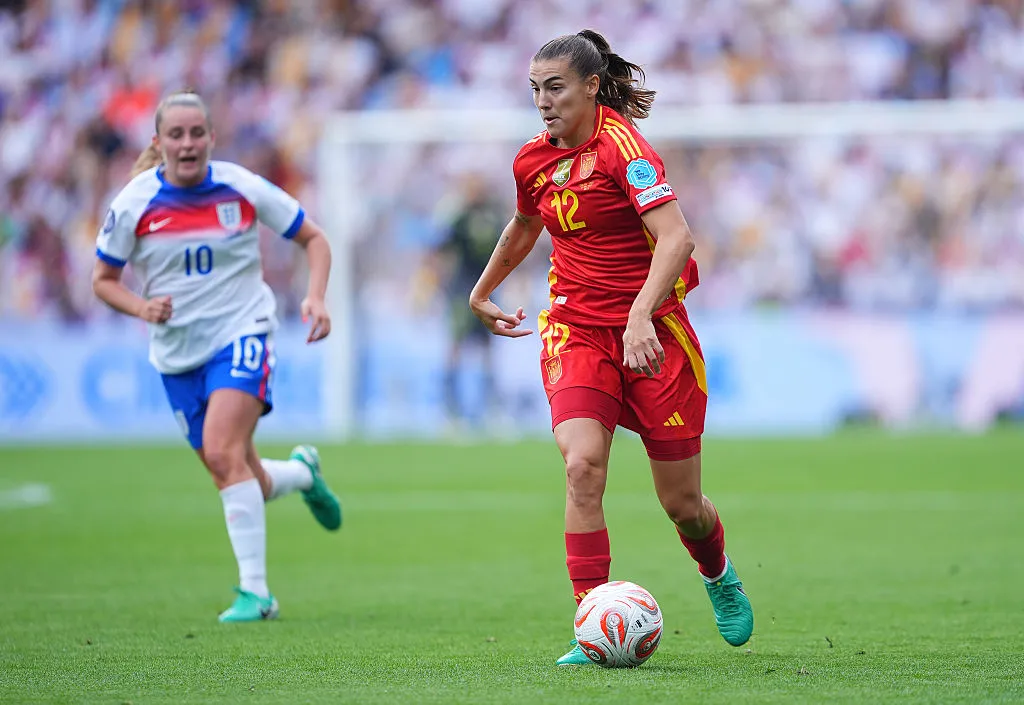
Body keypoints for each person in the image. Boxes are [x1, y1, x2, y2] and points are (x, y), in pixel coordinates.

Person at [468, 30, 754, 664]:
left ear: (591, 86)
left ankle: (718, 575)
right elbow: (526, 222)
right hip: (575, 328)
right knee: (582, 467)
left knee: (682, 504)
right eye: (535, 89)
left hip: (653, 331)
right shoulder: (531, 159)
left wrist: (640, 315)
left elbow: (677, 238)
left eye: (556, 87)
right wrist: (482, 290)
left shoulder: (628, 150)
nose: (543, 101)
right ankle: (589, 620)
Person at [92, 90, 342, 623]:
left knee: (224, 454)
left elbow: (314, 239)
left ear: (211, 137)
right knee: (235, 469)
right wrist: (141, 308)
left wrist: (316, 296)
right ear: (158, 143)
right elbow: (103, 280)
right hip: (177, 354)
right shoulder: (133, 204)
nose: (188, 144)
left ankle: (257, 594)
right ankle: (301, 474)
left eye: (197, 133)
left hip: (242, 331)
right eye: (176, 135)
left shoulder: (240, 187)